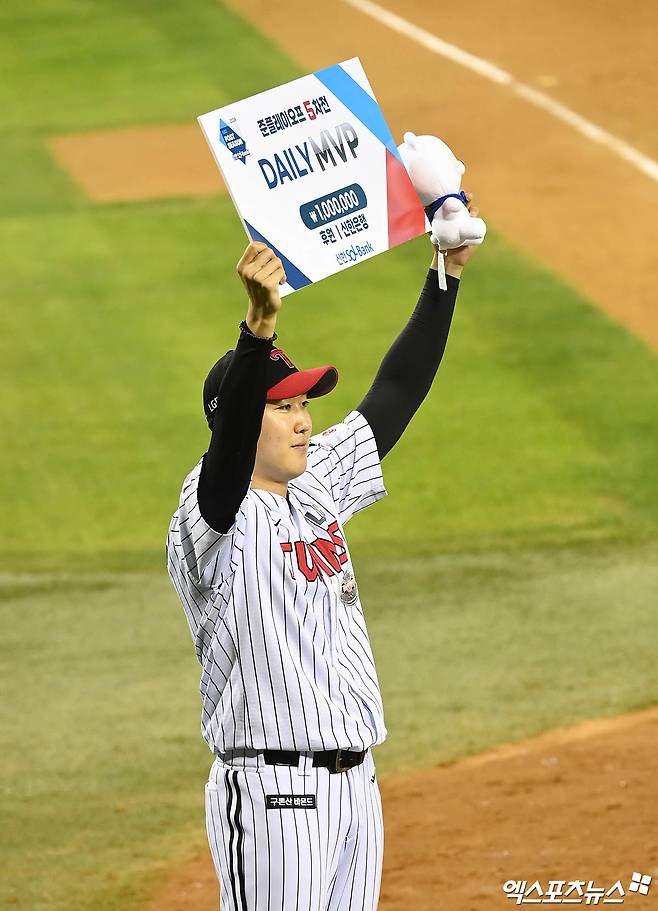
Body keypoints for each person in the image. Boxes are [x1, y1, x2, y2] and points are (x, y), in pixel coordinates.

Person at [167, 199, 480, 911]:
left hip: (357, 789)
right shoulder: (212, 512)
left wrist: (445, 274)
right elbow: (224, 462)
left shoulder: (316, 484)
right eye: (282, 407)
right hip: (275, 799)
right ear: (240, 423)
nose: (304, 417)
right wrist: (259, 328)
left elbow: (394, 395)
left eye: (303, 400)